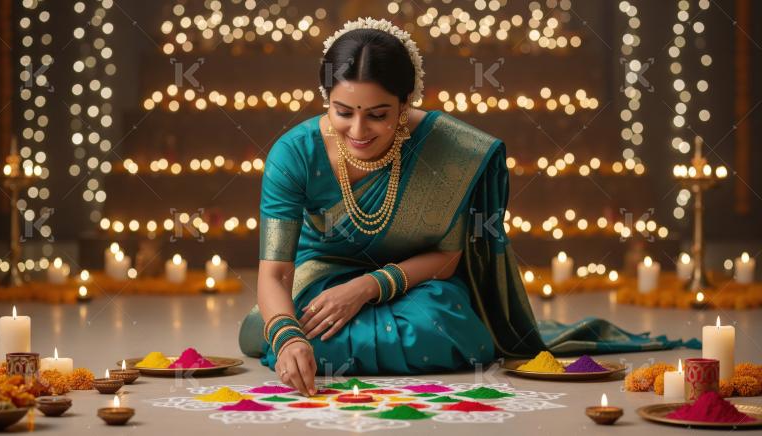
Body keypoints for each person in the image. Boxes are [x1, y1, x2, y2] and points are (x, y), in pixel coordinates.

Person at [239, 18, 698, 397]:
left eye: (378, 114)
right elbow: (274, 275)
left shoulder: (447, 148)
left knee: (447, 326)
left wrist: (367, 286)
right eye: (343, 111)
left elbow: (448, 257)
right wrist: (290, 336)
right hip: (320, 280)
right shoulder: (294, 153)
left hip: (412, 282)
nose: (358, 129)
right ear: (327, 99)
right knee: (281, 329)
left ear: (405, 104)